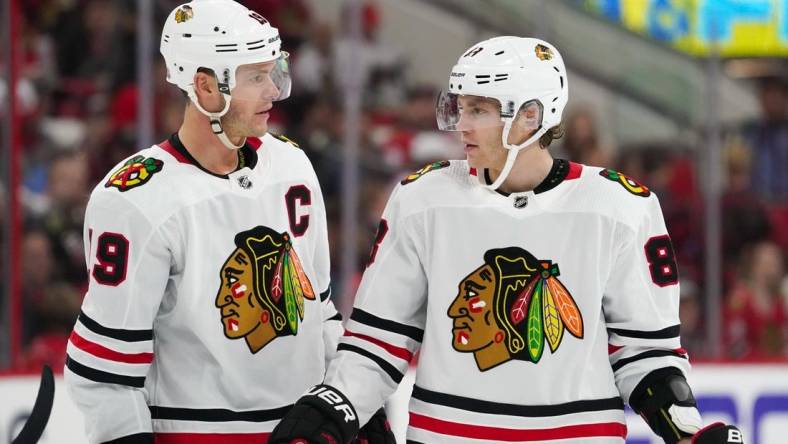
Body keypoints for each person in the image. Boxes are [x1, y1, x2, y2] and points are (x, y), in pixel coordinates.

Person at [270, 37, 743, 443]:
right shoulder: (422, 199)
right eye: (460, 107)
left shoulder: (620, 207)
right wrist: (333, 408)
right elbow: (379, 343)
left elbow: (645, 353)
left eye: (480, 110)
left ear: (532, 116)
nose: (462, 124)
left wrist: (684, 430)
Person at [63, 1, 392, 442]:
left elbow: (320, 314)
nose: (273, 91)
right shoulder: (134, 200)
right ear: (204, 87)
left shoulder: (291, 166)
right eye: (255, 77)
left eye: (273, 71)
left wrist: (357, 409)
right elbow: (106, 373)